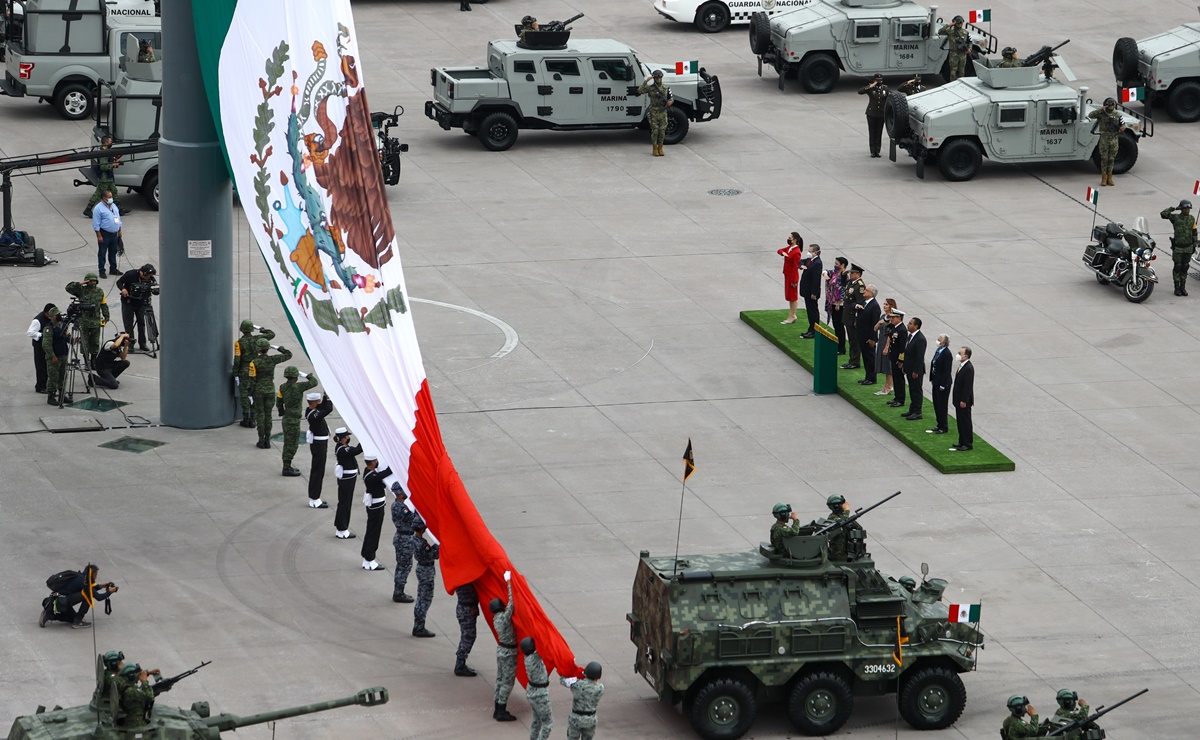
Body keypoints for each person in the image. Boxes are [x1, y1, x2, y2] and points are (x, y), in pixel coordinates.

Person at [39, 564, 117, 628]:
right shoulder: (84, 582)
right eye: (95, 575)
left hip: (59, 600)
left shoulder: (79, 577)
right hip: (62, 602)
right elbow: (99, 597)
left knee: (72, 618)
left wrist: (101, 586)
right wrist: (110, 592)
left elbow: (91, 589)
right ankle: (78, 621)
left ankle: (50, 615)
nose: (96, 577)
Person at [248, 338, 292, 448]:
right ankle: (267, 440)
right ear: (267, 349)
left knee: (260, 415)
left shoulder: (254, 363)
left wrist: (250, 392)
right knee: (268, 415)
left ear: (258, 349)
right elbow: (288, 354)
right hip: (270, 391)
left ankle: (261, 439)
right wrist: (280, 348)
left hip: (258, 391)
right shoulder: (273, 359)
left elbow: (252, 380)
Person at [275, 368, 318, 478]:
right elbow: (314, 382)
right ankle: (287, 467)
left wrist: (281, 412)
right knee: (292, 444)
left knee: (287, 443)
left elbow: (279, 401)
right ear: (295, 376)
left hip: (286, 418)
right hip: (293, 421)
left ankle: (286, 465)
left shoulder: (282, 387)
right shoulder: (299, 387)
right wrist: (308, 376)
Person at [233, 321, 274, 428]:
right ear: (251, 329)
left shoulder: (239, 343)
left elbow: (237, 359)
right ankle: (253, 420)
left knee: (245, 395)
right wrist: (260, 328)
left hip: (244, 370)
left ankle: (246, 419)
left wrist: (235, 372)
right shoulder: (257, 340)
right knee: (254, 394)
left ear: (242, 330)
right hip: (255, 369)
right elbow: (271, 334)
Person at [65, 272, 110, 369]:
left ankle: (93, 361)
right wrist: (80, 283)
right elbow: (68, 288)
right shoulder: (81, 290)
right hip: (83, 321)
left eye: (94, 281)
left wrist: (106, 316)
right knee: (84, 342)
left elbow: (103, 304)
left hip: (95, 321)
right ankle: (86, 361)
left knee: (95, 342)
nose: (92, 283)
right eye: (90, 281)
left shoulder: (100, 291)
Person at [491, 571, 519, 722]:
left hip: (501, 650)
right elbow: (512, 603)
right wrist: (509, 584)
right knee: (507, 682)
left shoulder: (496, 618)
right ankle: (501, 710)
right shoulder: (503, 617)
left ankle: (497, 709)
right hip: (509, 652)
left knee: (500, 679)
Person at [116, 263, 156, 351]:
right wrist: (123, 289)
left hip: (141, 303)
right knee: (128, 324)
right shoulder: (130, 274)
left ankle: (142, 343)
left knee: (141, 323)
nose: (149, 278)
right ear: (144, 273)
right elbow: (119, 282)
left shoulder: (150, 279)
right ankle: (130, 344)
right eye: (148, 276)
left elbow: (152, 288)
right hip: (128, 302)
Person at [391, 482, 421, 599]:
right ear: (399, 494)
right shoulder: (402, 508)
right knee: (404, 566)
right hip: (405, 540)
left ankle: (398, 591)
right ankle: (399, 593)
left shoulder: (396, 505)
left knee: (401, 565)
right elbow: (414, 519)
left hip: (401, 537)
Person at [84, 136, 127, 218]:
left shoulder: (106, 151)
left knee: (114, 192)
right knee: (98, 194)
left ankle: (120, 209)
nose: (111, 143)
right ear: (106, 143)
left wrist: (114, 162)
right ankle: (88, 209)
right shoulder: (103, 153)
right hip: (104, 178)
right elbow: (103, 167)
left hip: (108, 177)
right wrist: (113, 165)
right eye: (110, 142)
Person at [561, 661, 604, 740]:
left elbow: (562, 680)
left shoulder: (577, 685)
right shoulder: (600, 688)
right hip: (590, 720)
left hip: (576, 719)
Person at [304, 390, 334, 505]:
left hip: (320, 443)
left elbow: (324, 406)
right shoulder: (313, 415)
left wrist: (326, 395)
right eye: (318, 401)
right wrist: (329, 398)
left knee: (318, 470)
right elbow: (328, 409)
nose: (320, 403)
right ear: (313, 403)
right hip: (318, 445)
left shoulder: (312, 409)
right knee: (318, 471)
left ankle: (314, 496)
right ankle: (314, 498)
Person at [1161, 199, 1197, 296]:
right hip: (1178, 248)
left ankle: (1183, 287)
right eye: (1185, 208)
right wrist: (1172, 208)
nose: (1187, 210)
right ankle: (1177, 288)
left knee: (1185, 267)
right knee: (1178, 267)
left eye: (1188, 208)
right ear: (1181, 209)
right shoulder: (1175, 218)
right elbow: (1163, 214)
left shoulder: (1192, 219)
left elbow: (1194, 232)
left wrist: (1195, 245)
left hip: (1188, 247)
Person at [361, 455, 390, 570]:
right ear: (373, 462)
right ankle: (370, 559)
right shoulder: (373, 476)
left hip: (375, 506)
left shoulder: (368, 471)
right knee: (374, 533)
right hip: (376, 507)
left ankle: (366, 557)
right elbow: (388, 471)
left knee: (370, 531)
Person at [1088, 98, 1125, 187]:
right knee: (1104, 158)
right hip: (1104, 138)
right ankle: (1104, 178)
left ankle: (1110, 177)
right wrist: (1100, 109)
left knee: (1112, 159)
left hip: (1114, 138)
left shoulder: (1117, 115)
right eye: (1109, 105)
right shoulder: (1101, 114)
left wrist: (1122, 128)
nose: (1110, 107)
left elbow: (1123, 125)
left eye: (1112, 105)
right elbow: (1091, 115)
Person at [522, 636, 553, 740]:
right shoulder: (534, 658)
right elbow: (544, 646)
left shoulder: (528, 658)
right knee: (548, 723)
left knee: (536, 721)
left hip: (533, 693)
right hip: (540, 695)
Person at [637, 69, 673, 157]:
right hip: (653, 111)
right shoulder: (651, 88)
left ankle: (660, 147)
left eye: (660, 77)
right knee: (655, 131)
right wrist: (646, 81)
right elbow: (640, 91)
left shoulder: (666, 88)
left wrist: (670, 102)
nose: (658, 79)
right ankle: (654, 148)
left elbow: (671, 97)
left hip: (662, 112)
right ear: (654, 78)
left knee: (662, 131)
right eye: (656, 77)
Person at [411, 520, 438, 637]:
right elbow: (434, 555)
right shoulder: (422, 543)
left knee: (421, 596)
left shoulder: (413, 540)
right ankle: (419, 627)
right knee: (425, 599)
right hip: (426, 570)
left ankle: (418, 625)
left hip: (421, 568)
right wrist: (440, 545)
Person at [333, 428, 361, 539]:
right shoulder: (342, 449)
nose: (348, 438)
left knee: (345, 503)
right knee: (345, 503)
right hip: (347, 479)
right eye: (346, 437)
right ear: (341, 439)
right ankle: (342, 529)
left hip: (349, 478)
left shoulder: (343, 447)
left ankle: (340, 526)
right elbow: (357, 450)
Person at [41, 306, 71, 406]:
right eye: (57, 315)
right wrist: (52, 356)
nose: (59, 316)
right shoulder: (49, 328)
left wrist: (74, 340)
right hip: (54, 357)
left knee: (63, 376)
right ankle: (51, 396)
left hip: (63, 355)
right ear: (52, 317)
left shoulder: (62, 325)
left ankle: (62, 394)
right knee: (53, 377)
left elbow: (67, 337)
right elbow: (46, 344)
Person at [27, 303, 56, 394]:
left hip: (48, 346)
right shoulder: (37, 321)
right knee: (41, 366)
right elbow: (30, 332)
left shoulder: (51, 318)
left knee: (48, 366)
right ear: (46, 313)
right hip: (39, 346)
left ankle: (47, 384)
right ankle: (40, 386)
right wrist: (43, 335)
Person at [858, 73, 889, 157]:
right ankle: (872, 151)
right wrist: (870, 86)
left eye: (880, 80)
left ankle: (877, 151)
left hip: (881, 114)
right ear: (874, 81)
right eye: (877, 80)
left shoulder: (885, 88)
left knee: (879, 132)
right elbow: (860, 91)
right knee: (872, 132)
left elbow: (889, 98)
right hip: (871, 113)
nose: (879, 82)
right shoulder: (871, 88)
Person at [902, 317, 927, 420]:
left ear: (916, 326)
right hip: (909, 368)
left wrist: (916, 371)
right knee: (912, 390)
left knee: (917, 390)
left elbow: (919, 357)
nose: (908, 324)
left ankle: (917, 412)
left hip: (915, 370)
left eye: (910, 323)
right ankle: (912, 409)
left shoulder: (920, 339)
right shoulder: (911, 336)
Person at [841, 265, 865, 369]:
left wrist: (856, 319)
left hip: (852, 317)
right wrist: (843, 275)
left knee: (855, 340)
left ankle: (855, 361)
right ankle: (851, 360)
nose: (850, 274)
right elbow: (843, 284)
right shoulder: (851, 283)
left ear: (858, 274)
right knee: (851, 339)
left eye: (852, 273)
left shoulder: (860, 286)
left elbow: (860, 303)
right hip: (847, 315)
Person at [856, 285, 881, 385]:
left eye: (867, 290)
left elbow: (874, 324)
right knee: (865, 357)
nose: (864, 291)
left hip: (868, 337)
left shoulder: (874, 306)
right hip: (862, 335)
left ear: (872, 294)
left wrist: (872, 339)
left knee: (870, 358)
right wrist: (856, 306)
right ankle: (867, 376)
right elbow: (854, 304)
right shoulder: (864, 302)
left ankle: (872, 378)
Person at [951, 346, 974, 451]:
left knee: (965, 421)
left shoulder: (968, 368)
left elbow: (967, 386)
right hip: (958, 399)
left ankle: (968, 443)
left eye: (960, 353)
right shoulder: (961, 366)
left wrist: (964, 400)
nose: (958, 355)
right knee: (960, 421)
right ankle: (962, 441)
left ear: (966, 356)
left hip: (964, 400)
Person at [927, 334, 952, 434]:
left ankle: (943, 426)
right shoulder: (938, 351)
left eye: (939, 340)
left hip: (943, 383)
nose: (937, 341)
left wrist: (943, 385)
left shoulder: (947, 354)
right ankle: (939, 424)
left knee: (942, 405)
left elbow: (947, 371)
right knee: (936, 404)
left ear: (944, 343)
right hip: (936, 381)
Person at [777, 232, 804, 324]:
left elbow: (795, 267)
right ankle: (791, 314)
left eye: (790, 238)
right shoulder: (790, 248)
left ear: (795, 240)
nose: (788, 239)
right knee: (789, 296)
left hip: (792, 276)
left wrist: (794, 280)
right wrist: (783, 253)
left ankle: (792, 315)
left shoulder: (796, 252)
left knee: (793, 296)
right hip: (787, 274)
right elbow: (779, 250)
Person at [874, 298, 898, 397]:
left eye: (887, 304)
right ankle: (887, 385)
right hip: (881, 341)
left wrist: (887, 347)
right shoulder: (883, 317)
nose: (884, 306)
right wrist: (879, 323)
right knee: (883, 364)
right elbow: (875, 329)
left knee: (888, 366)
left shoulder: (893, 318)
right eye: (884, 304)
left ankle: (889, 386)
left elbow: (890, 334)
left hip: (887, 342)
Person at [454, 584, 479, 676]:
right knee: (468, 637)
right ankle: (460, 664)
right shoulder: (465, 582)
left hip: (465, 609)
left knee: (467, 636)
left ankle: (460, 662)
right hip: (467, 610)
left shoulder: (460, 580)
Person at [798, 244, 823, 338]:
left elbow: (816, 280)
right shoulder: (810, 260)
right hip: (806, 290)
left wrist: (814, 293)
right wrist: (801, 265)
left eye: (810, 251)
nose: (808, 253)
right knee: (809, 311)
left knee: (813, 312)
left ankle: (814, 330)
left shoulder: (817, 263)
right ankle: (810, 328)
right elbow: (801, 261)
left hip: (811, 292)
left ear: (815, 253)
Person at [885, 309, 908, 408]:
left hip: (898, 359)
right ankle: (896, 397)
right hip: (893, 357)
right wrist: (887, 318)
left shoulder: (902, 330)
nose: (892, 319)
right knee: (895, 378)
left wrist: (901, 360)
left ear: (899, 318)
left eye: (893, 318)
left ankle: (900, 399)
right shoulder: (895, 327)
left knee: (899, 379)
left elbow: (903, 347)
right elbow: (887, 325)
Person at [938, 15, 971, 82]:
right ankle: (952, 84)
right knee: (953, 71)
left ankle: (961, 85)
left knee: (962, 72)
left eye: (960, 22)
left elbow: (970, 41)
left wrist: (969, 48)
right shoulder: (950, 32)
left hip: (963, 54)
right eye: (958, 22)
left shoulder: (965, 32)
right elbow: (940, 31)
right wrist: (949, 25)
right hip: (954, 53)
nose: (959, 24)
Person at [825, 257, 847, 353]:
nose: (835, 265)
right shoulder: (835, 273)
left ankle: (841, 348)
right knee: (835, 325)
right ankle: (838, 345)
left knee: (839, 326)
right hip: (832, 302)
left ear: (842, 265)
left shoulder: (844, 276)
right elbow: (825, 271)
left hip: (840, 305)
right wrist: (825, 274)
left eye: (837, 264)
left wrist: (839, 303)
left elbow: (844, 290)